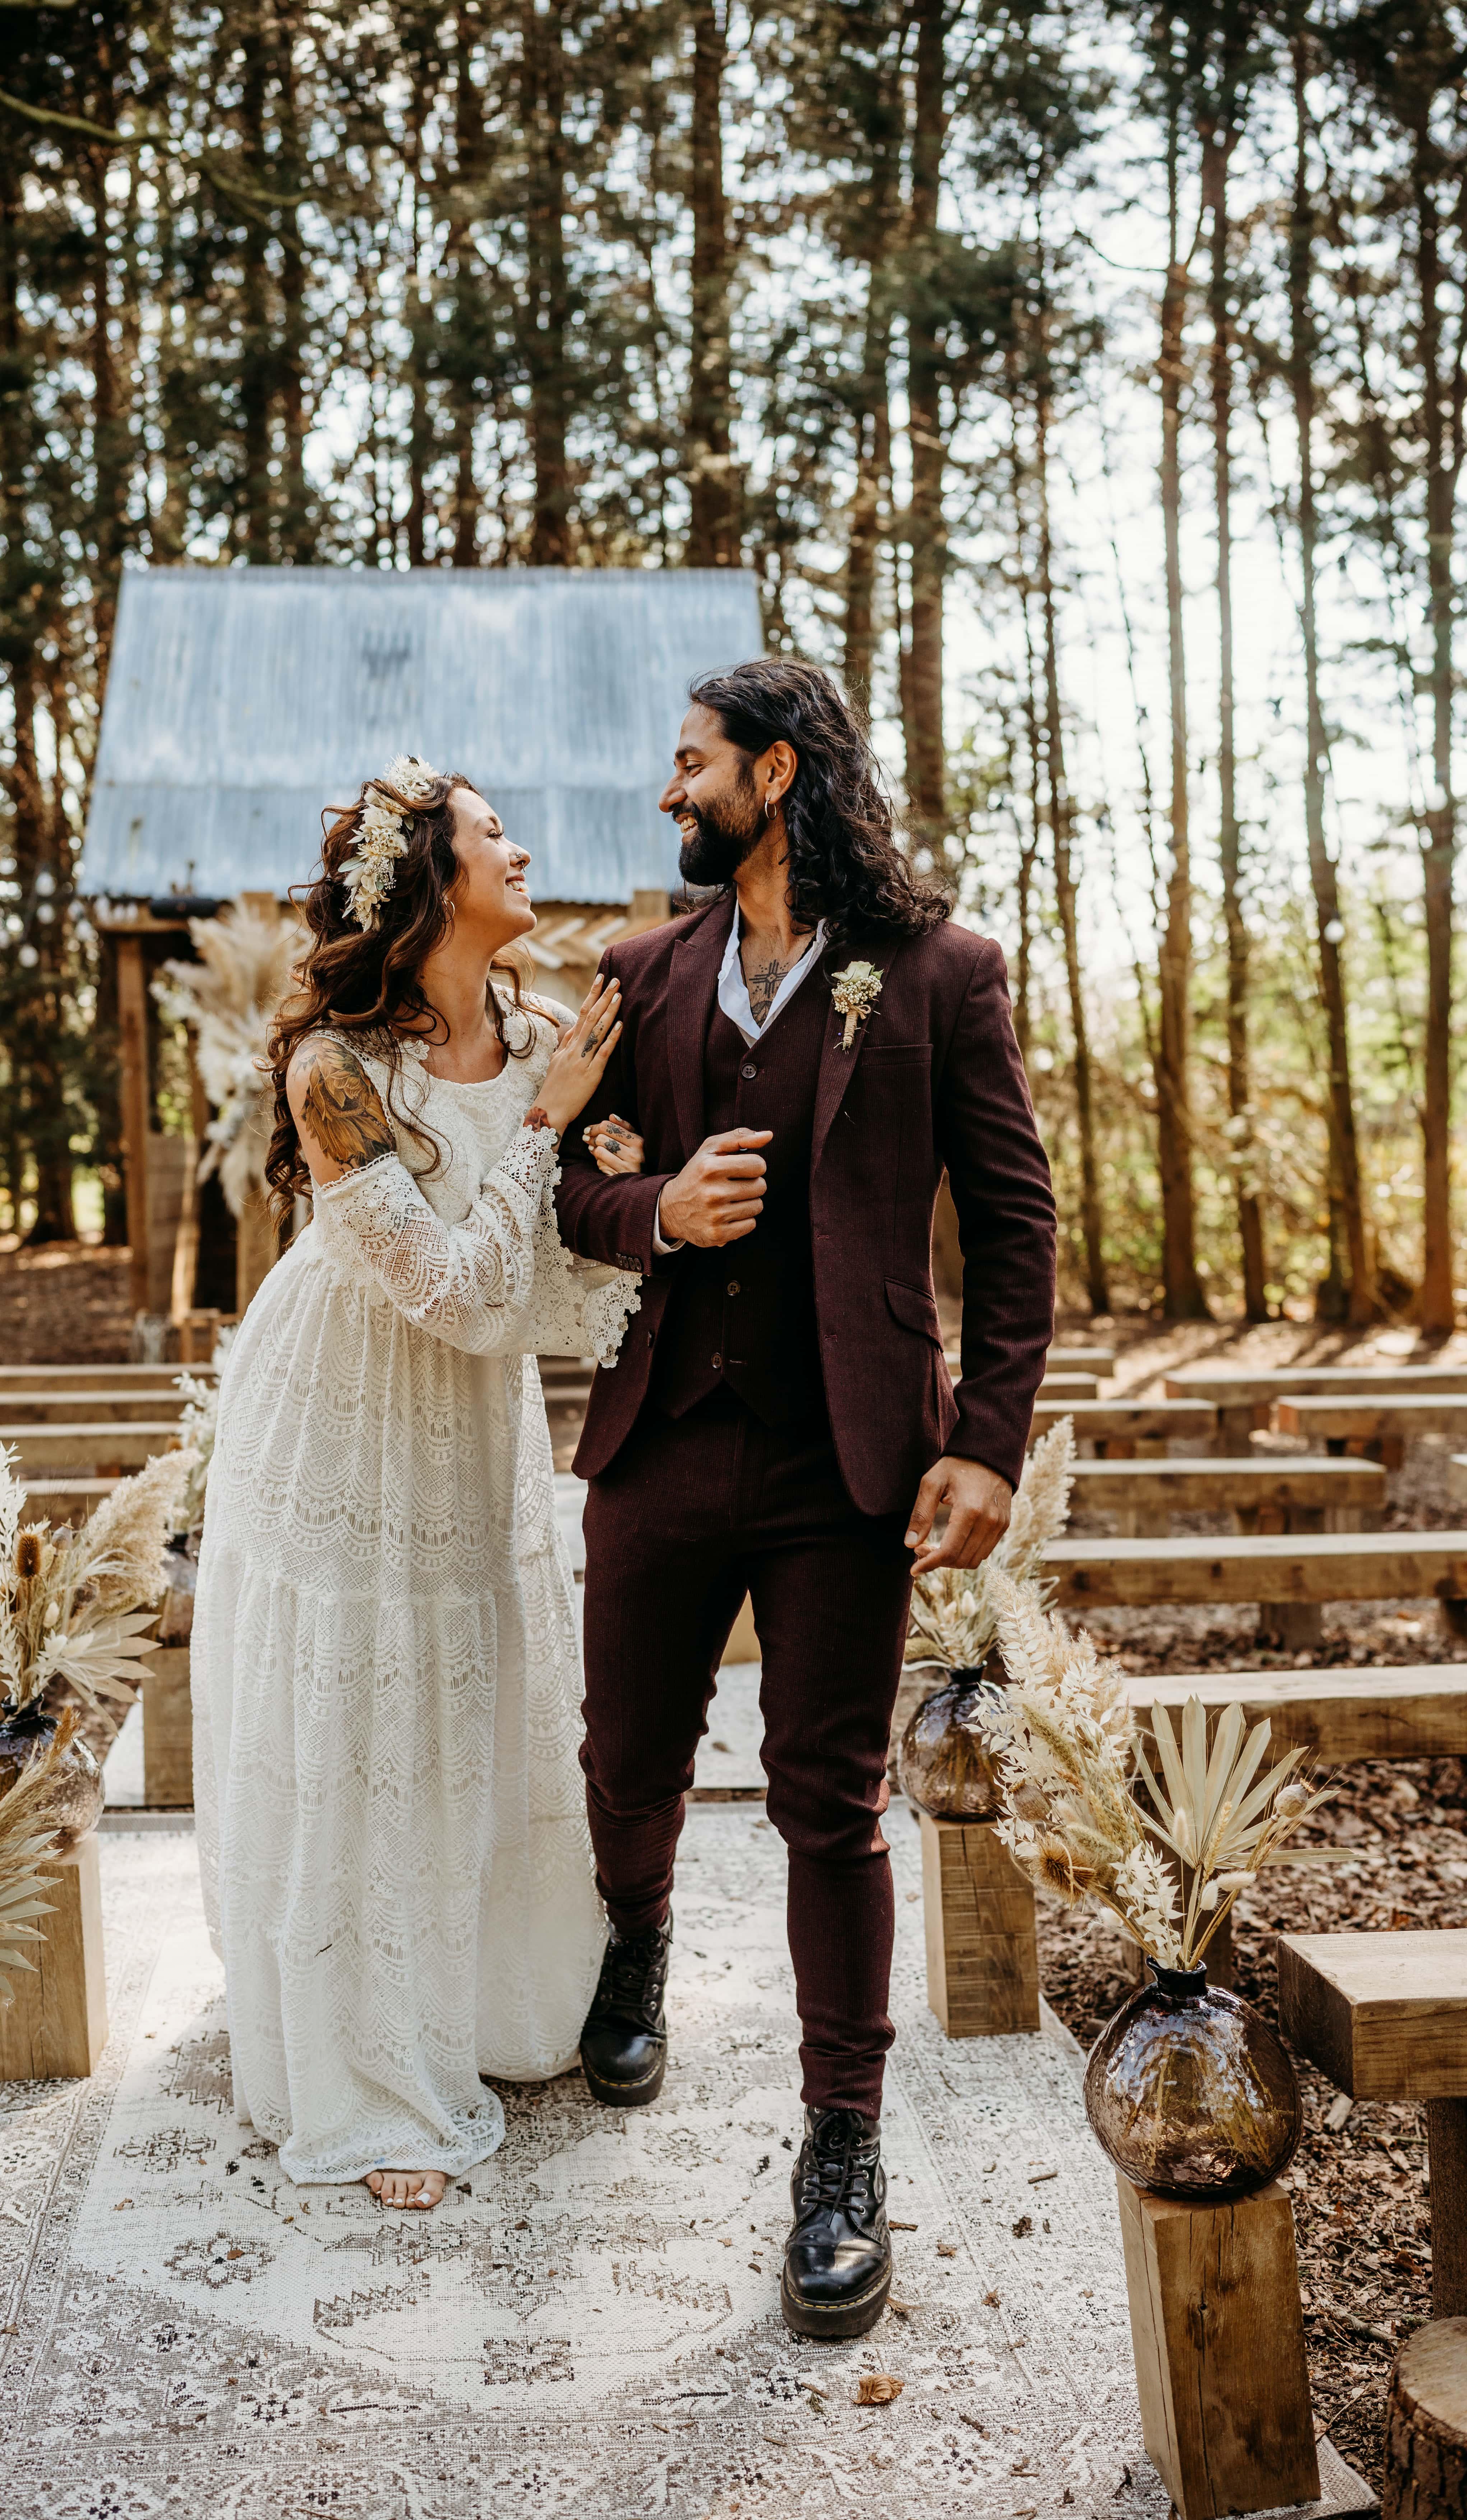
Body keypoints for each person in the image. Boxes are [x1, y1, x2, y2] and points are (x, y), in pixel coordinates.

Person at [554, 660, 1057, 2337]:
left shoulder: (939, 972)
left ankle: (840, 2149)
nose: (666, 791)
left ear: (775, 775)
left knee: (826, 1801)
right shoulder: (640, 973)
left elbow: (1011, 1219)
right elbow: (548, 1175)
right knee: (622, 1755)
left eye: (688, 764)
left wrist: (986, 1440)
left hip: (853, 1460)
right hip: (662, 1439)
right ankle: (633, 1942)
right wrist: (654, 1219)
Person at [191, 756, 638, 2213]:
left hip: (472, 1427)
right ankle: (371, 2074)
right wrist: (539, 1129)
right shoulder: (332, 1066)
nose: (526, 851)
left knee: (474, 1690)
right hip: (342, 1413)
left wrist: (614, 1159)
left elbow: (575, 1229)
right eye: (498, 835)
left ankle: (491, 2004)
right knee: (360, 1705)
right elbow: (444, 1286)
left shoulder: (552, 1030)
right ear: (439, 881)